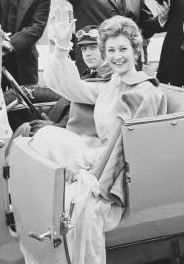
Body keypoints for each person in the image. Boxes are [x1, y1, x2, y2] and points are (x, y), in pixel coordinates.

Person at [25, 16, 167, 264]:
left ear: (136, 50)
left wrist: (85, 172)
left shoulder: (144, 91)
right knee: (46, 136)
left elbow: (125, 148)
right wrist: (60, 48)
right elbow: (72, 88)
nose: (117, 56)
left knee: (77, 204)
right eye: (110, 50)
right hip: (101, 153)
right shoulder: (114, 83)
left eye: (123, 49)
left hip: (118, 170)